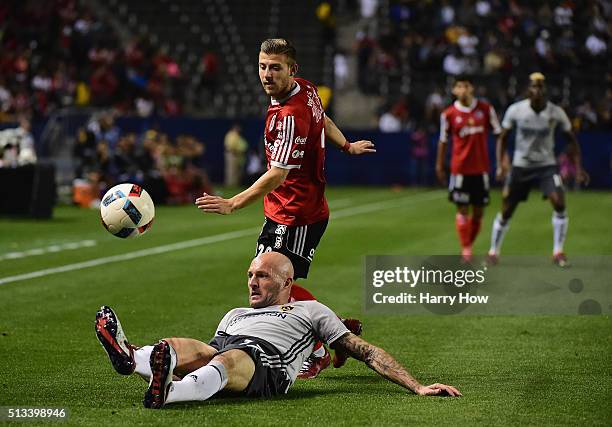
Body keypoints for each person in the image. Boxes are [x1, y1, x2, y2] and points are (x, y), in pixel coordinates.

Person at [195, 39, 376, 378]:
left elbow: (277, 174)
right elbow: (324, 119)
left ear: (292, 70)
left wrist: (233, 202)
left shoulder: (290, 114)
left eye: (275, 67)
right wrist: (347, 145)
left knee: (271, 284)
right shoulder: (304, 90)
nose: (267, 74)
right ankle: (334, 335)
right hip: (288, 211)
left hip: (294, 214)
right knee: (270, 282)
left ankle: (323, 345)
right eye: (263, 66)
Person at [95, 252, 462, 409]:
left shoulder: (310, 310)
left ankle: (168, 391)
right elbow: (208, 351)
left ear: (287, 281)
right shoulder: (235, 312)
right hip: (227, 354)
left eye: (262, 276)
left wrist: (417, 386)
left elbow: (365, 351)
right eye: (250, 275)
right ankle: (132, 359)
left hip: (266, 365)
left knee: (229, 357)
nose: (252, 282)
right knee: (191, 347)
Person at [487, 73, 589, 267]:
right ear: (528, 89)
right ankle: (493, 251)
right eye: (534, 86)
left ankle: (558, 251)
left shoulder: (555, 112)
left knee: (559, 203)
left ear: (545, 90)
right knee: (507, 210)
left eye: (541, 87)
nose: (537, 90)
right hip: (520, 166)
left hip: (546, 166)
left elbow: (572, 140)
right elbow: (502, 138)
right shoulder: (516, 110)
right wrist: (501, 163)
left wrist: (578, 167)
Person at [435, 75, 501, 262]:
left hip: (481, 170)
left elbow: (499, 135)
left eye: (466, 86)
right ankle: (466, 249)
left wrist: (503, 161)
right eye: (459, 86)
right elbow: (443, 140)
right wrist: (439, 165)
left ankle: (467, 244)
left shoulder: (486, 110)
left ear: (472, 88)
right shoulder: (448, 114)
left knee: (479, 211)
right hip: (460, 170)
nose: (462, 89)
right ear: (455, 90)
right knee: (463, 209)